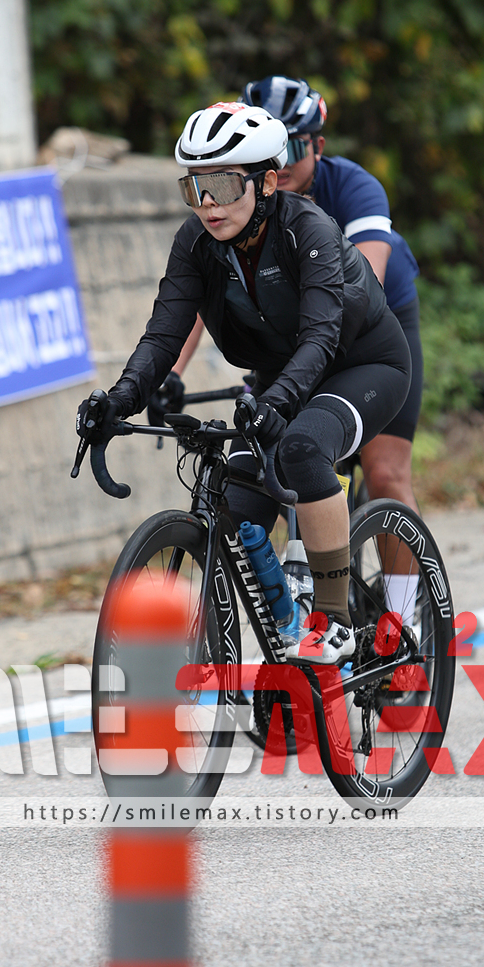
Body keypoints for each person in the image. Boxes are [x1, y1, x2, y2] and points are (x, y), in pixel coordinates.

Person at [76, 101, 411, 664]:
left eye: (224, 185)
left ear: (267, 182)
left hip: (363, 364)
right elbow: (163, 335)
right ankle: (277, 622)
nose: (208, 202)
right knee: (234, 501)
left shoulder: (308, 228)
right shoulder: (195, 243)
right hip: (285, 373)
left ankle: (335, 619)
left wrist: (275, 401)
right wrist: (120, 399)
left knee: (302, 449)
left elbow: (321, 336)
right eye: (195, 187)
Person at [159, 77, 425, 515]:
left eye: (295, 147)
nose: (281, 163)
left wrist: (294, 381)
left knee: (385, 473)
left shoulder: (354, 188)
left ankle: (395, 562)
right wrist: (172, 373)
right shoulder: (234, 209)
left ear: (317, 146)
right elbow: (208, 293)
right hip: (290, 333)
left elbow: (363, 287)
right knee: (262, 478)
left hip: (369, 325)